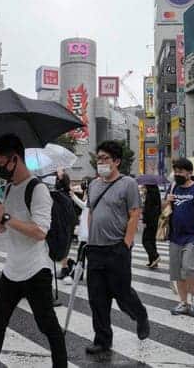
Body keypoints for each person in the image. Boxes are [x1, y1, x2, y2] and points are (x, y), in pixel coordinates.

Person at [0, 134, 67, 368]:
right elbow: (4, 229)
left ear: (15, 158)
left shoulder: (37, 190)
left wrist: (6, 216)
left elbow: (39, 232)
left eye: (0, 161)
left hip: (36, 270)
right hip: (11, 270)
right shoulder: (8, 189)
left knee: (48, 326)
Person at [85, 140, 149, 354]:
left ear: (117, 161)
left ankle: (140, 314)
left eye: (105, 158)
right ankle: (102, 340)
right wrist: (88, 239)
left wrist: (126, 244)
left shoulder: (128, 183)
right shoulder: (93, 185)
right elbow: (91, 213)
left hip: (117, 249)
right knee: (96, 298)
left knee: (122, 294)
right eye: (99, 158)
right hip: (95, 250)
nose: (100, 162)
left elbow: (134, 215)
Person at [167, 158, 194, 317]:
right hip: (175, 236)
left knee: (189, 268)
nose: (177, 174)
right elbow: (165, 210)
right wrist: (168, 201)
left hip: (193, 236)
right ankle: (183, 303)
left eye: (181, 171)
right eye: (176, 171)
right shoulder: (173, 187)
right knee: (177, 272)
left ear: (189, 173)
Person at [54, 170, 75, 283]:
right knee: (65, 248)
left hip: (62, 226)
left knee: (62, 249)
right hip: (67, 226)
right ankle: (65, 267)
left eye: (58, 178)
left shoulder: (60, 195)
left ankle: (66, 268)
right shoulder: (66, 194)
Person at [141, 183, 161, 268]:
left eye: (145, 186)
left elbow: (147, 210)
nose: (144, 187)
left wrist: (144, 221)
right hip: (155, 220)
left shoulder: (149, 196)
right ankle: (152, 261)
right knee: (152, 240)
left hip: (149, 221)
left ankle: (155, 256)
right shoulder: (157, 195)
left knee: (145, 240)